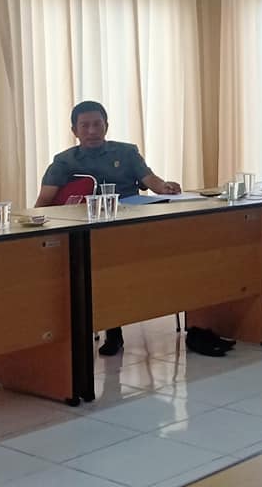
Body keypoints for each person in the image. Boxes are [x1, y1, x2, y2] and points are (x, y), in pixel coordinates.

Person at [35, 100, 180, 356]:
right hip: (87, 232)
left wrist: (166, 187)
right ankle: (112, 330)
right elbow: (44, 202)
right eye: (85, 126)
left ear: (106, 126)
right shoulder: (64, 161)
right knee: (99, 267)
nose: (92, 131)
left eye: (97, 124)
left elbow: (152, 182)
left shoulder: (126, 152)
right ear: (74, 130)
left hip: (129, 226)